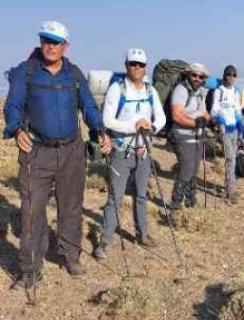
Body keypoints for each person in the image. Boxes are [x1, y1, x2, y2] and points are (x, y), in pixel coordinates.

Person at [3, 21, 112, 285]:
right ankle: (29, 270)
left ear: (66, 46)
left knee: (72, 206)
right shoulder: (25, 72)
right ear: (40, 42)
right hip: (36, 151)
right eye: (46, 40)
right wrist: (17, 131)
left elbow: (88, 106)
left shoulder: (74, 74)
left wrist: (100, 130)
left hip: (72, 151)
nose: (50, 46)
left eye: (56, 42)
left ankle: (70, 256)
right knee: (32, 210)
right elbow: (12, 106)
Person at [93, 48, 166, 259]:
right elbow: (107, 120)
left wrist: (150, 127)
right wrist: (135, 126)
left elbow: (160, 118)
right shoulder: (118, 89)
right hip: (121, 152)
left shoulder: (150, 91)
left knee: (141, 195)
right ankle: (105, 240)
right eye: (133, 63)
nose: (137, 67)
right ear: (126, 65)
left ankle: (142, 234)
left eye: (140, 64)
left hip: (143, 151)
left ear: (146, 67)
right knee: (115, 197)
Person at [169, 63, 211, 210]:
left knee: (194, 170)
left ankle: (191, 200)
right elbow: (176, 115)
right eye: (194, 75)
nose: (197, 78)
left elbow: (204, 112)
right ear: (188, 75)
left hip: (197, 136)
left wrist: (207, 121)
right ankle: (176, 203)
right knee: (186, 168)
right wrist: (196, 123)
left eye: (200, 76)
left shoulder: (200, 92)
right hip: (182, 135)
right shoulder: (181, 90)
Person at [211, 65, 244, 202]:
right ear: (224, 76)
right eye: (228, 75)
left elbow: (237, 111)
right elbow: (214, 110)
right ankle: (230, 191)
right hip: (224, 130)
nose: (231, 78)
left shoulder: (236, 92)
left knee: (233, 159)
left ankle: (231, 187)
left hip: (234, 130)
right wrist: (220, 121)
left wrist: (241, 129)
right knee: (229, 159)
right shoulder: (219, 91)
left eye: (233, 75)